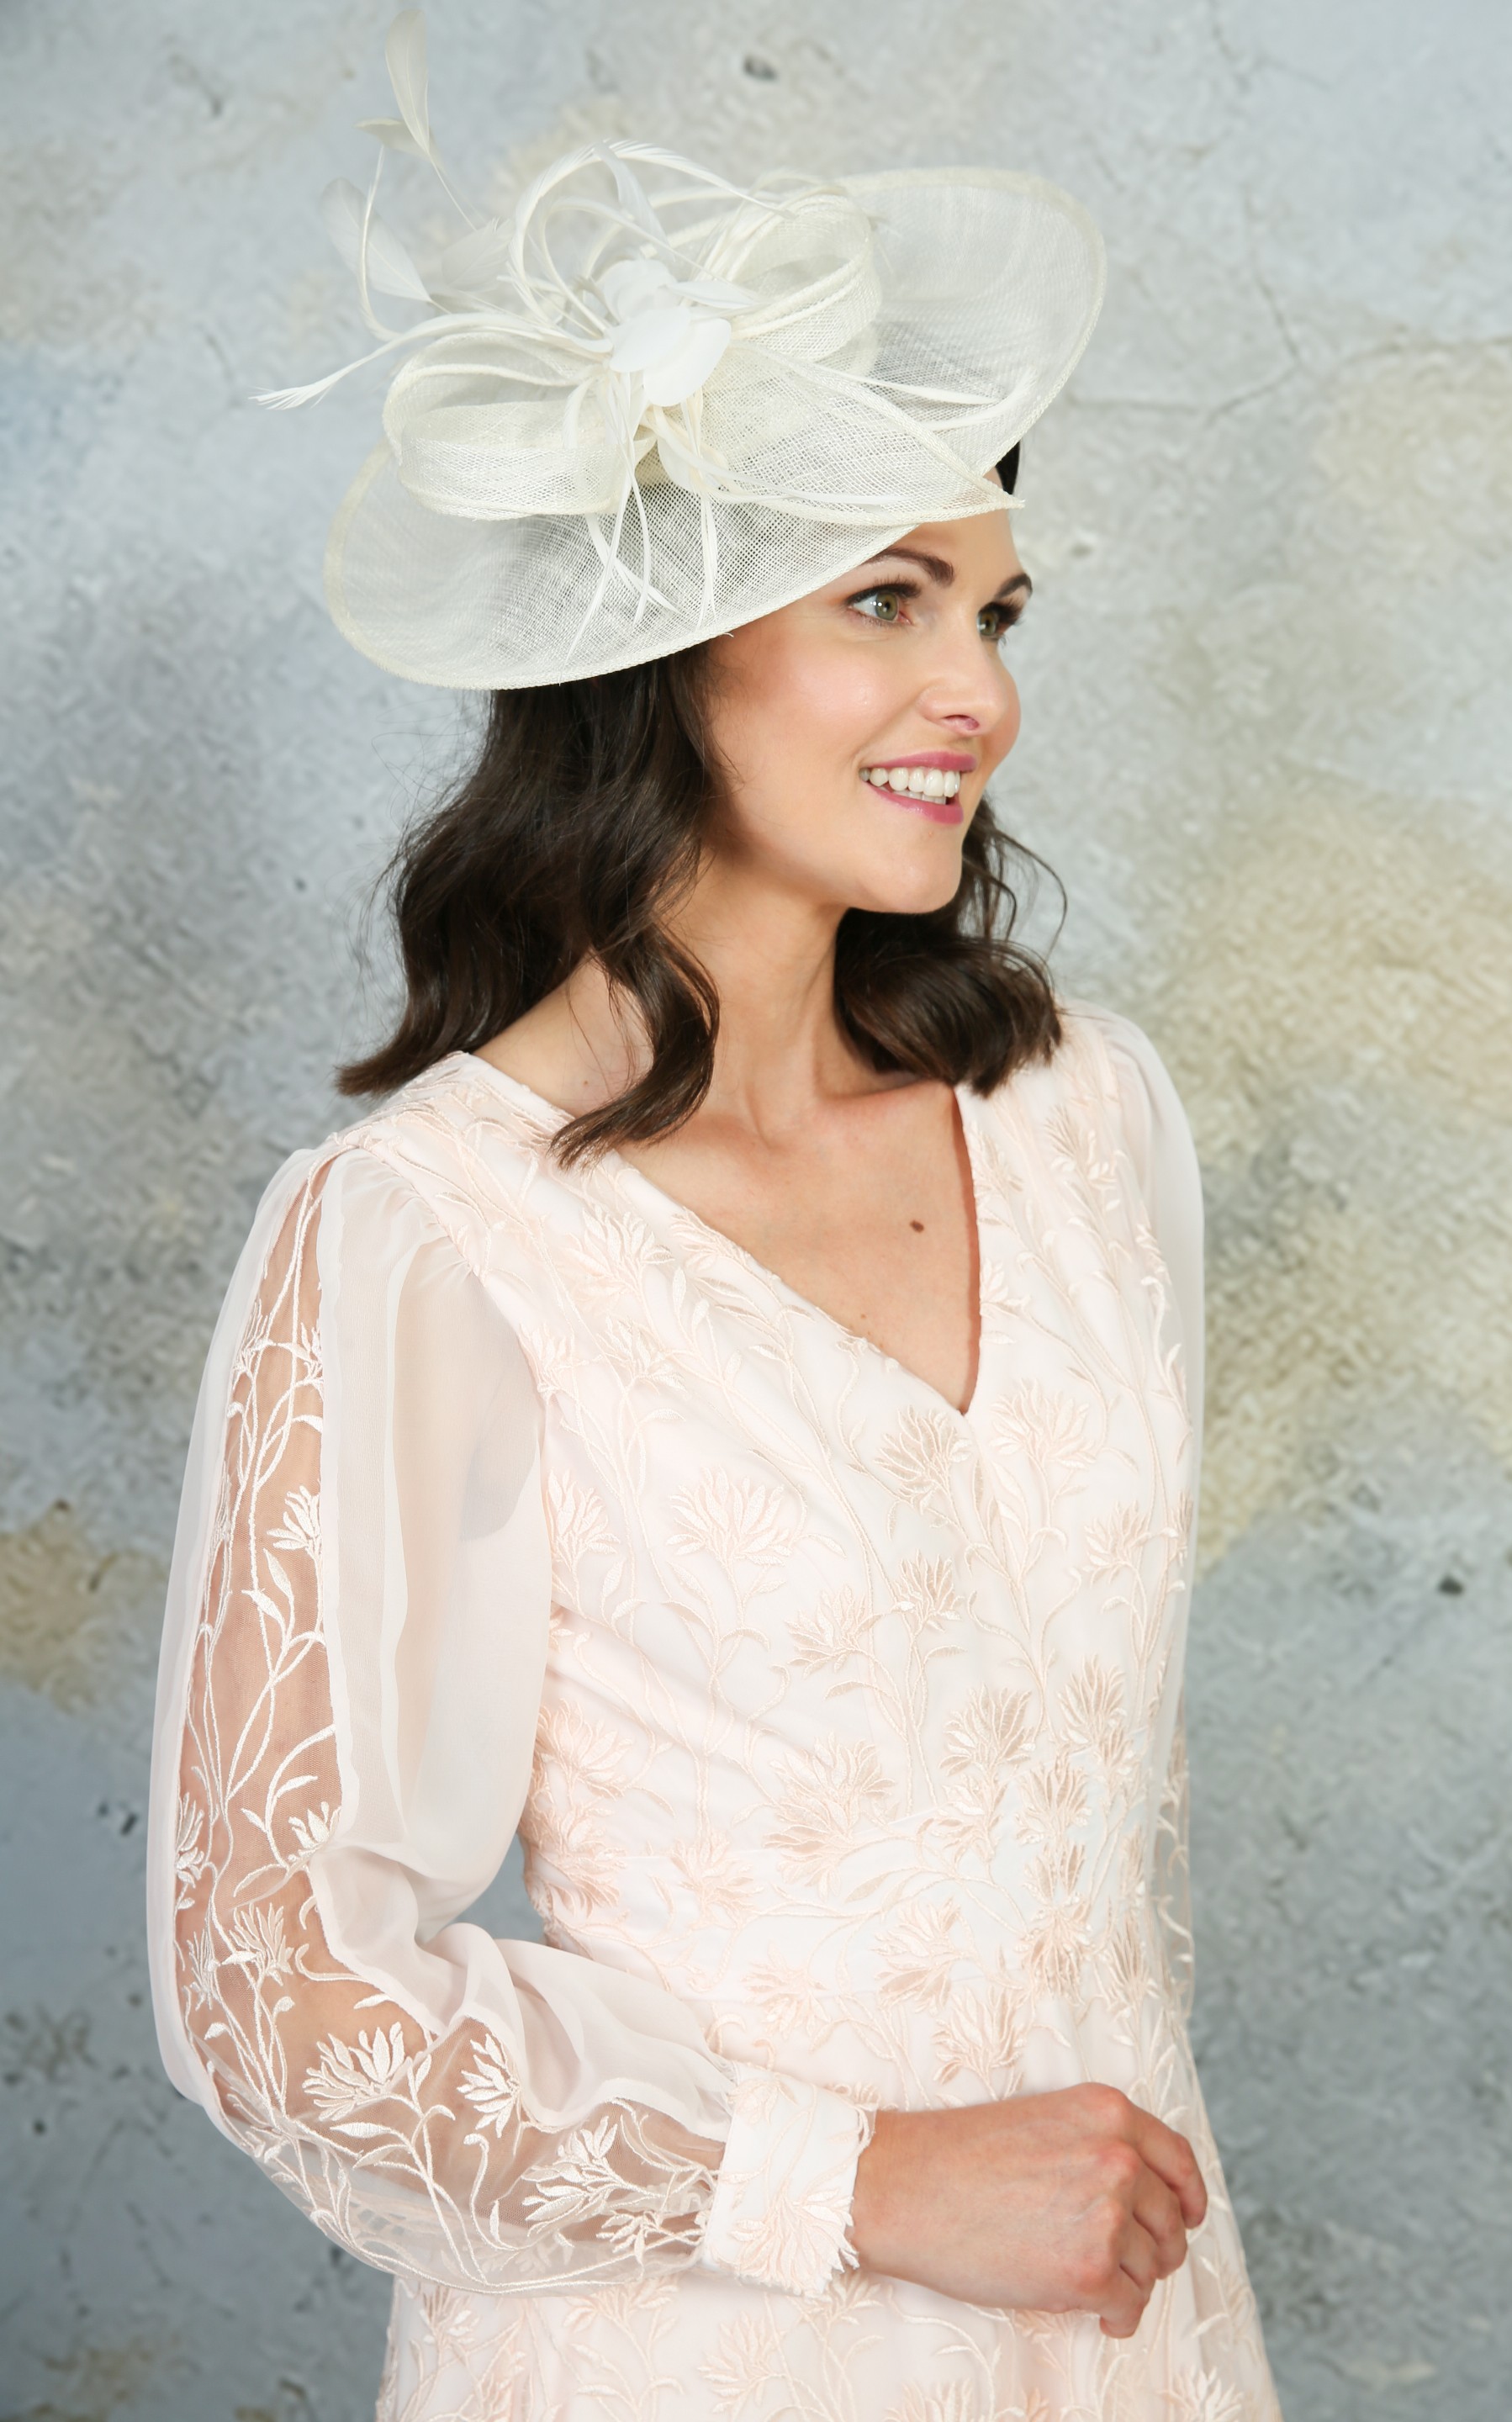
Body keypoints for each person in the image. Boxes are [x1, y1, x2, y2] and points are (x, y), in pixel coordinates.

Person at [147, 18, 1283, 2416]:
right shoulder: (428, 1234)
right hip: (709, 2341)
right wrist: (854, 2181)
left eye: (997, 611)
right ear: (659, 646)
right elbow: (281, 1990)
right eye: (889, 600)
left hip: (1122, 2325)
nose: (976, 692)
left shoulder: (1084, 1124)